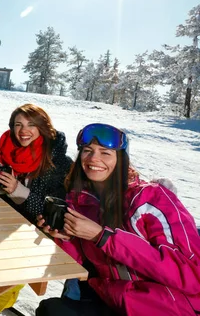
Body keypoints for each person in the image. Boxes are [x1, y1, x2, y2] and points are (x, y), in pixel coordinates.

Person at [36, 123, 200, 316]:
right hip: (116, 300)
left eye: (105, 153)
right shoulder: (82, 201)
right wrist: (66, 238)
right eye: (87, 151)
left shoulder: (151, 200)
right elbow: (84, 262)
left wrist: (103, 237)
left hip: (168, 308)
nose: (93, 158)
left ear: (121, 159)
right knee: (51, 310)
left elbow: (191, 275)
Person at [0, 104, 72, 223]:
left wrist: (17, 190)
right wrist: (0, 185)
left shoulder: (56, 160)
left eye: (31, 125)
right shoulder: (8, 150)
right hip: (8, 220)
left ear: (42, 127)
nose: (24, 130)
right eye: (18, 125)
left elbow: (52, 213)